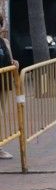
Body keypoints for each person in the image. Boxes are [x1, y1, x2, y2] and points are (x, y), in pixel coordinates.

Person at [0, 16, 19, 159]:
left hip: (4, 83)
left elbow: (11, 61)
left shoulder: (4, 42)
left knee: (1, 115)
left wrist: (15, 63)